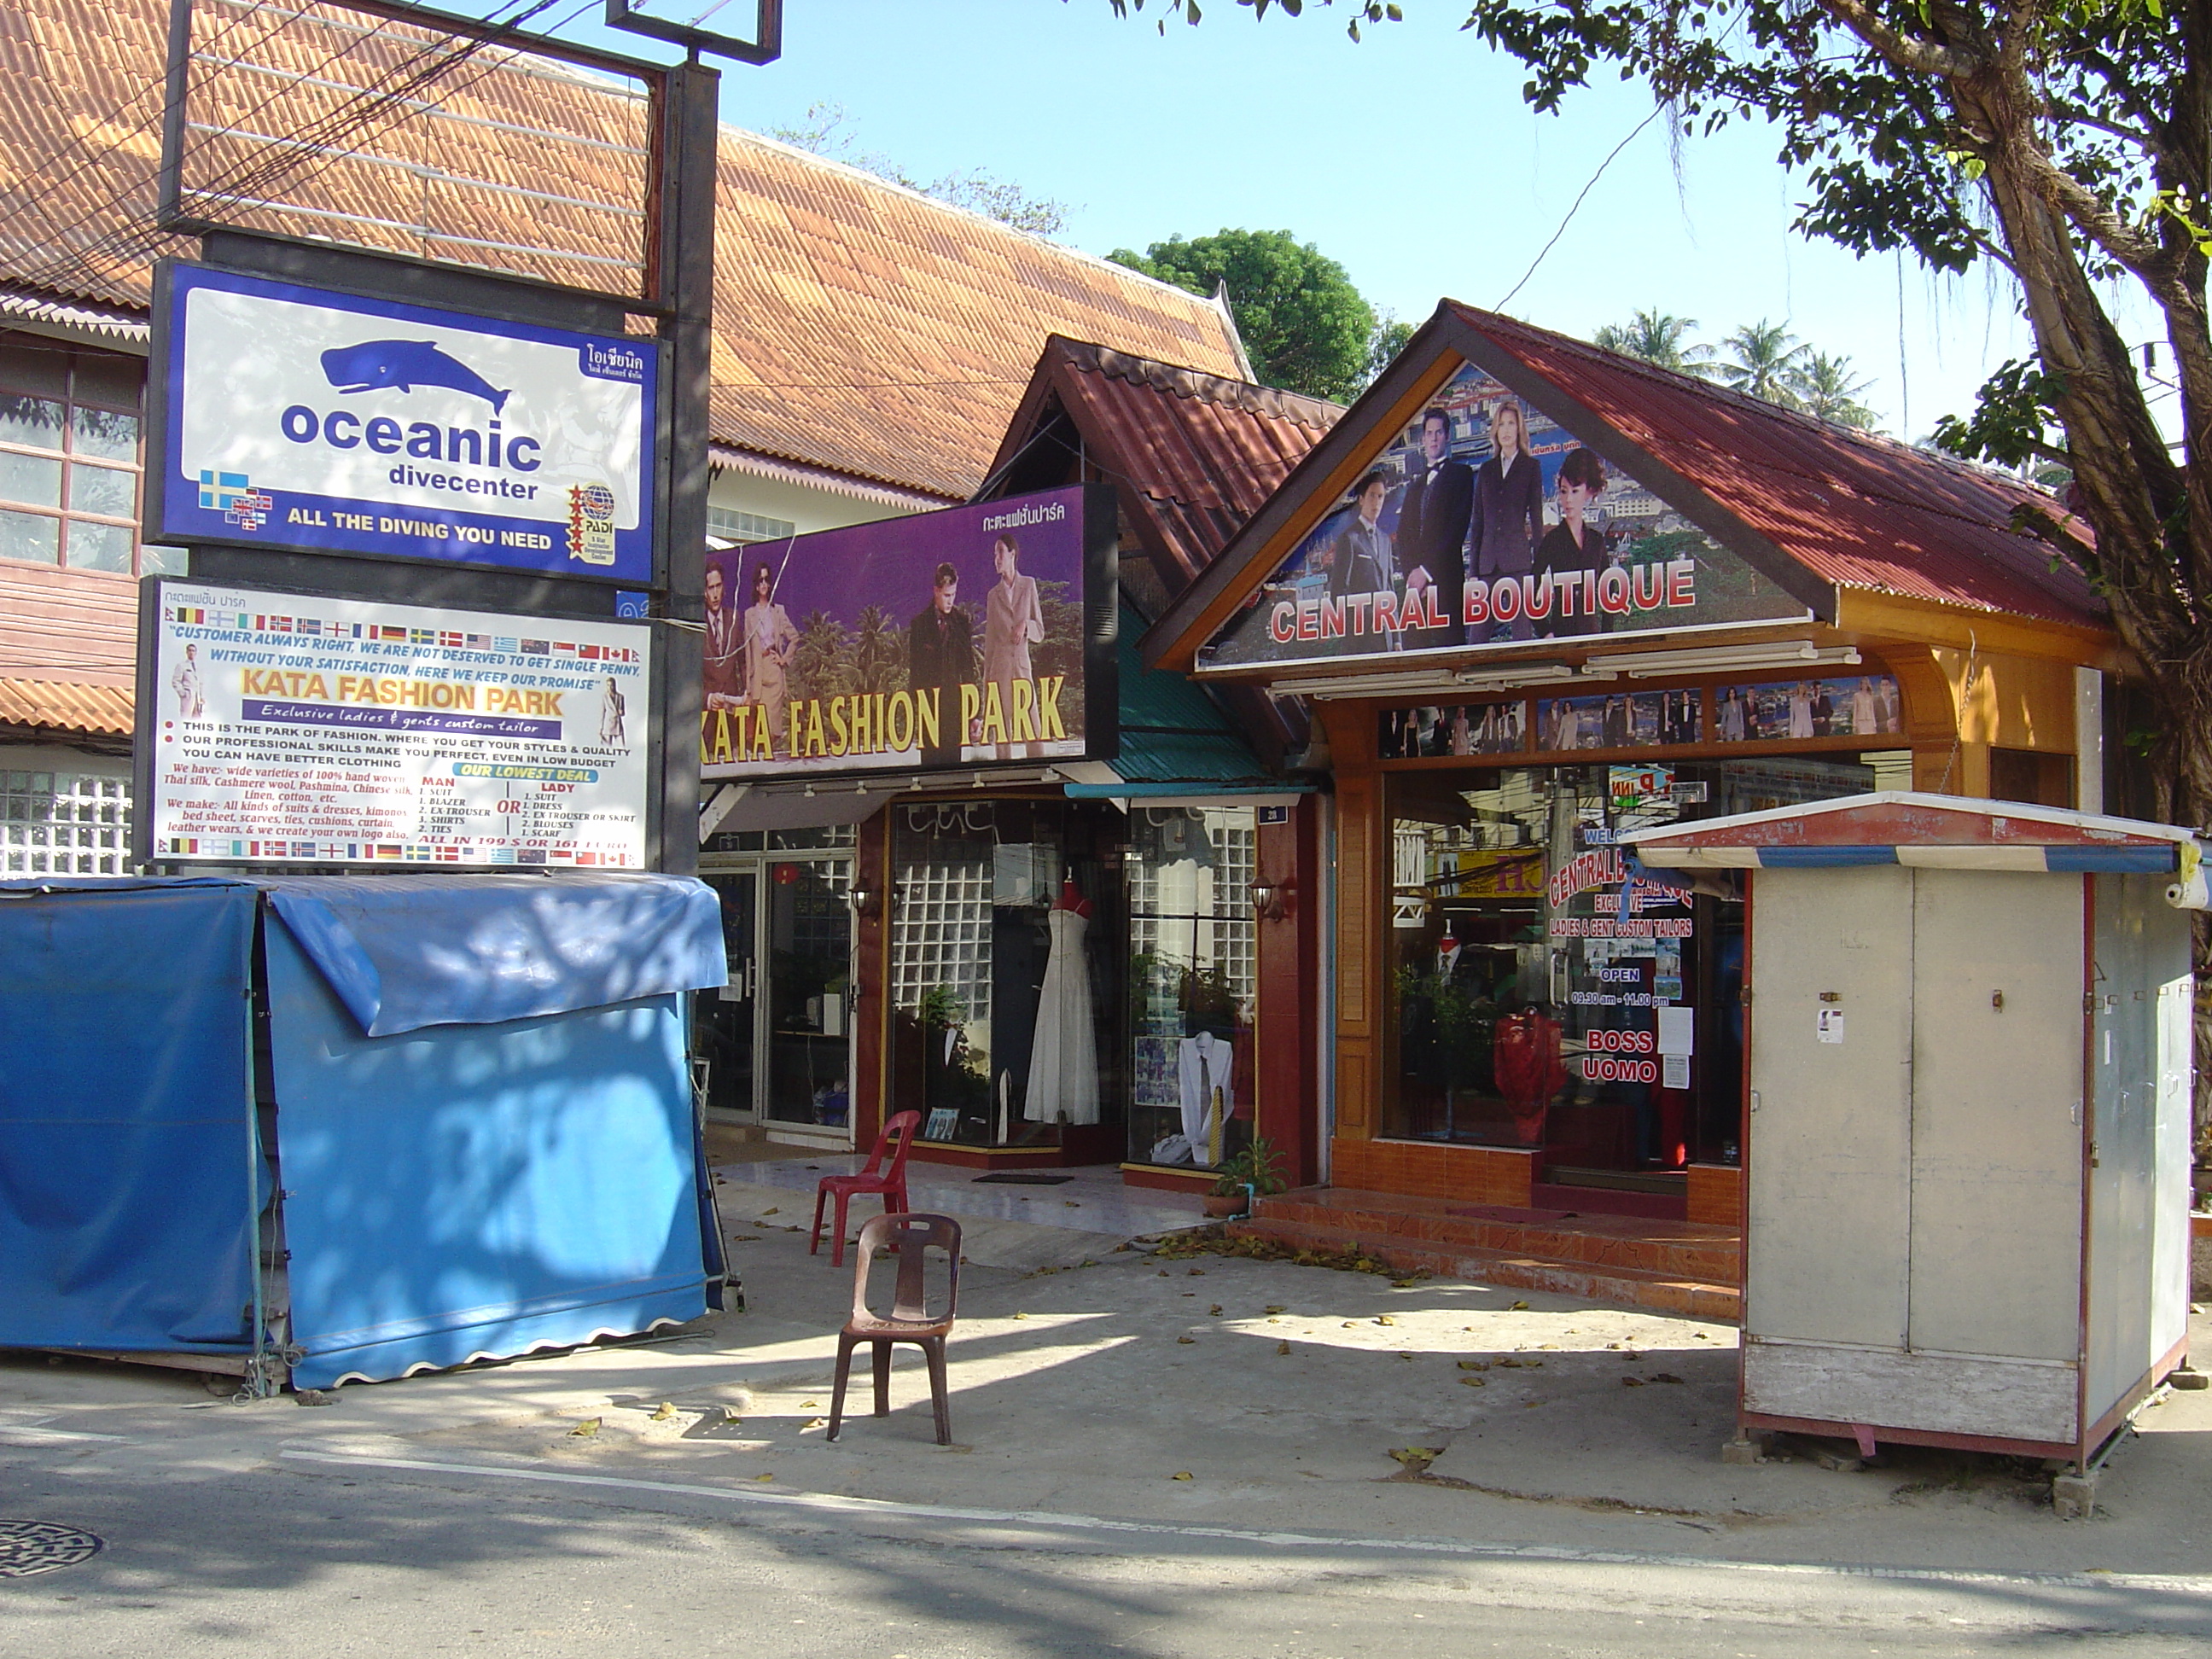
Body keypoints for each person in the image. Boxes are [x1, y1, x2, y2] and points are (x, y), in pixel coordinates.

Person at [1394, 408, 1474, 648]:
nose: (1434, 438)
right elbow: (1404, 536)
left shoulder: (1462, 475)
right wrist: (1413, 574)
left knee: (1451, 649)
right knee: (1416, 653)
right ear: (1423, 439)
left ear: (1447, 436)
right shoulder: (1415, 485)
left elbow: (1456, 530)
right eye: (1429, 433)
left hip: (1447, 581)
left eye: (1439, 432)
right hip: (1416, 588)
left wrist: (1427, 572)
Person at [1468, 398, 1547, 613]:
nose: (1506, 430)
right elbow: (1478, 522)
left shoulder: (1531, 467)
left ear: (1519, 428)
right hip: (1487, 565)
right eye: (1501, 424)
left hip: (1517, 563)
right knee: (1478, 636)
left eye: (1511, 423)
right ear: (1495, 430)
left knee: (1521, 632)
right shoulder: (1486, 470)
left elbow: (1537, 520)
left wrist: (1538, 570)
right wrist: (1473, 571)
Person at [1533, 447, 1610, 639]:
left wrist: (1607, 635)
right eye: (1563, 491)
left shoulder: (1597, 541)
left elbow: (1610, 591)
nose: (1568, 500)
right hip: (1560, 634)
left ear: (1589, 492)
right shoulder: (1552, 540)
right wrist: (1545, 630)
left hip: (1591, 634)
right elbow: (1530, 587)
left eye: (1575, 491)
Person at [981, 533, 1044, 760]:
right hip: (999, 667)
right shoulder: (992, 595)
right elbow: (989, 641)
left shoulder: (1029, 585)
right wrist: (986, 680)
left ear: (1012, 554)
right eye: (994, 553)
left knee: (1032, 722)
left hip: (1022, 665)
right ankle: (1003, 771)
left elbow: (1040, 631)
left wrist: (1025, 625)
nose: (996, 558)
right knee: (1002, 726)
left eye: (1000, 552)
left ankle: (1039, 765)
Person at [908, 562, 975, 766]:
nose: (950, 601)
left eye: (953, 595)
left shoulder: (962, 622)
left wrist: (973, 714)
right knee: (929, 771)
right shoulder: (919, 624)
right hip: (929, 709)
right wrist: (914, 710)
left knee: (955, 770)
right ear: (936, 590)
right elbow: (915, 673)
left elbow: (969, 670)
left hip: (956, 710)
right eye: (946, 595)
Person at [1326, 470, 1400, 642]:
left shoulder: (1384, 540)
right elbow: (1338, 591)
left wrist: (1396, 639)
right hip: (1361, 638)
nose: (1376, 502)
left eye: (1380, 497)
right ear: (1361, 500)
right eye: (1372, 496)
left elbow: (1389, 591)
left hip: (1386, 638)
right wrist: (1356, 628)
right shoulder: (1349, 538)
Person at [741, 561, 797, 758]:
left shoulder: (778, 611)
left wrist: (784, 659)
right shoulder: (749, 614)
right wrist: (748, 683)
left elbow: (795, 638)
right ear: (756, 586)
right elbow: (748, 650)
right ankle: (762, 754)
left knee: (773, 719)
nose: (763, 584)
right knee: (759, 716)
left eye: (766, 580)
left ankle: (770, 755)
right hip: (759, 670)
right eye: (760, 580)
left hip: (774, 666)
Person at [702, 559, 742, 706]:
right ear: (704, 592)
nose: (715, 594)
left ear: (724, 588)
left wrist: (746, 695)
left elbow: (743, 661)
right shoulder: (697, 625)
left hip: (732, 706)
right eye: (710, 588)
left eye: (718, 586)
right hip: (708, 709)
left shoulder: (734, 618)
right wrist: (707, 698)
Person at [172, 643, 205, 719]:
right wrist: (183, 693)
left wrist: (202, 696)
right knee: (185, 718)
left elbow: (200, 683)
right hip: (188, 696)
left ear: (196, 653)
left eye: (193, 651)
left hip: (197, 698)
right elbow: (176, 681)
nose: (191, 652)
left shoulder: (198, 667)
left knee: (197, 719)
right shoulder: (182, 665)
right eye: (189, 650)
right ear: (186, 652)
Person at [597, 676, 627, 747]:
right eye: (608, 685)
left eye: (612, 685)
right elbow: (602, 713)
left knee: (622, 747)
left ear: (615, 685)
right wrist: (600, 728)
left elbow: (623, 712)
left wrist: (621, 712)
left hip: (618, 724)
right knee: (607, 747)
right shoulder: (604, 697)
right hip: (608, 724)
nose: (610, 687)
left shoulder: (620, 697)